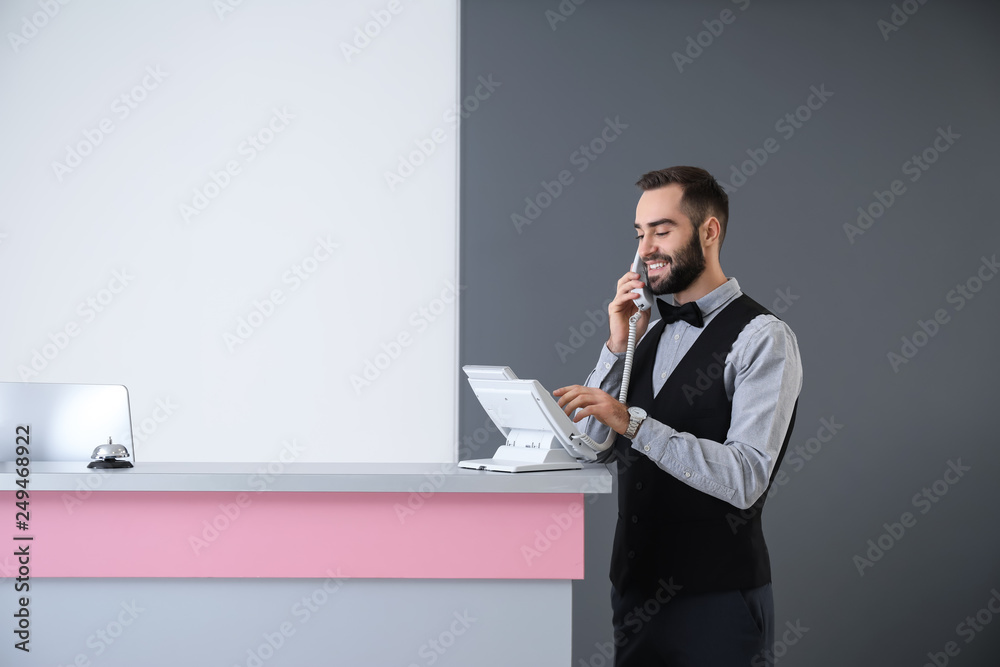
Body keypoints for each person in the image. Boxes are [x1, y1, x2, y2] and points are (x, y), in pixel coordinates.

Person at [554, 166, 803, 666]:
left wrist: (635, 423)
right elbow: (590, 449)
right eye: (640, 233)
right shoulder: (646, 329)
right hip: (636, 593)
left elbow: (746, 476)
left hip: (717, 600)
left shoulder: (763, 338)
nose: (646, 248)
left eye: (662, 230)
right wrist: (616, 344)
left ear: (709, 232)